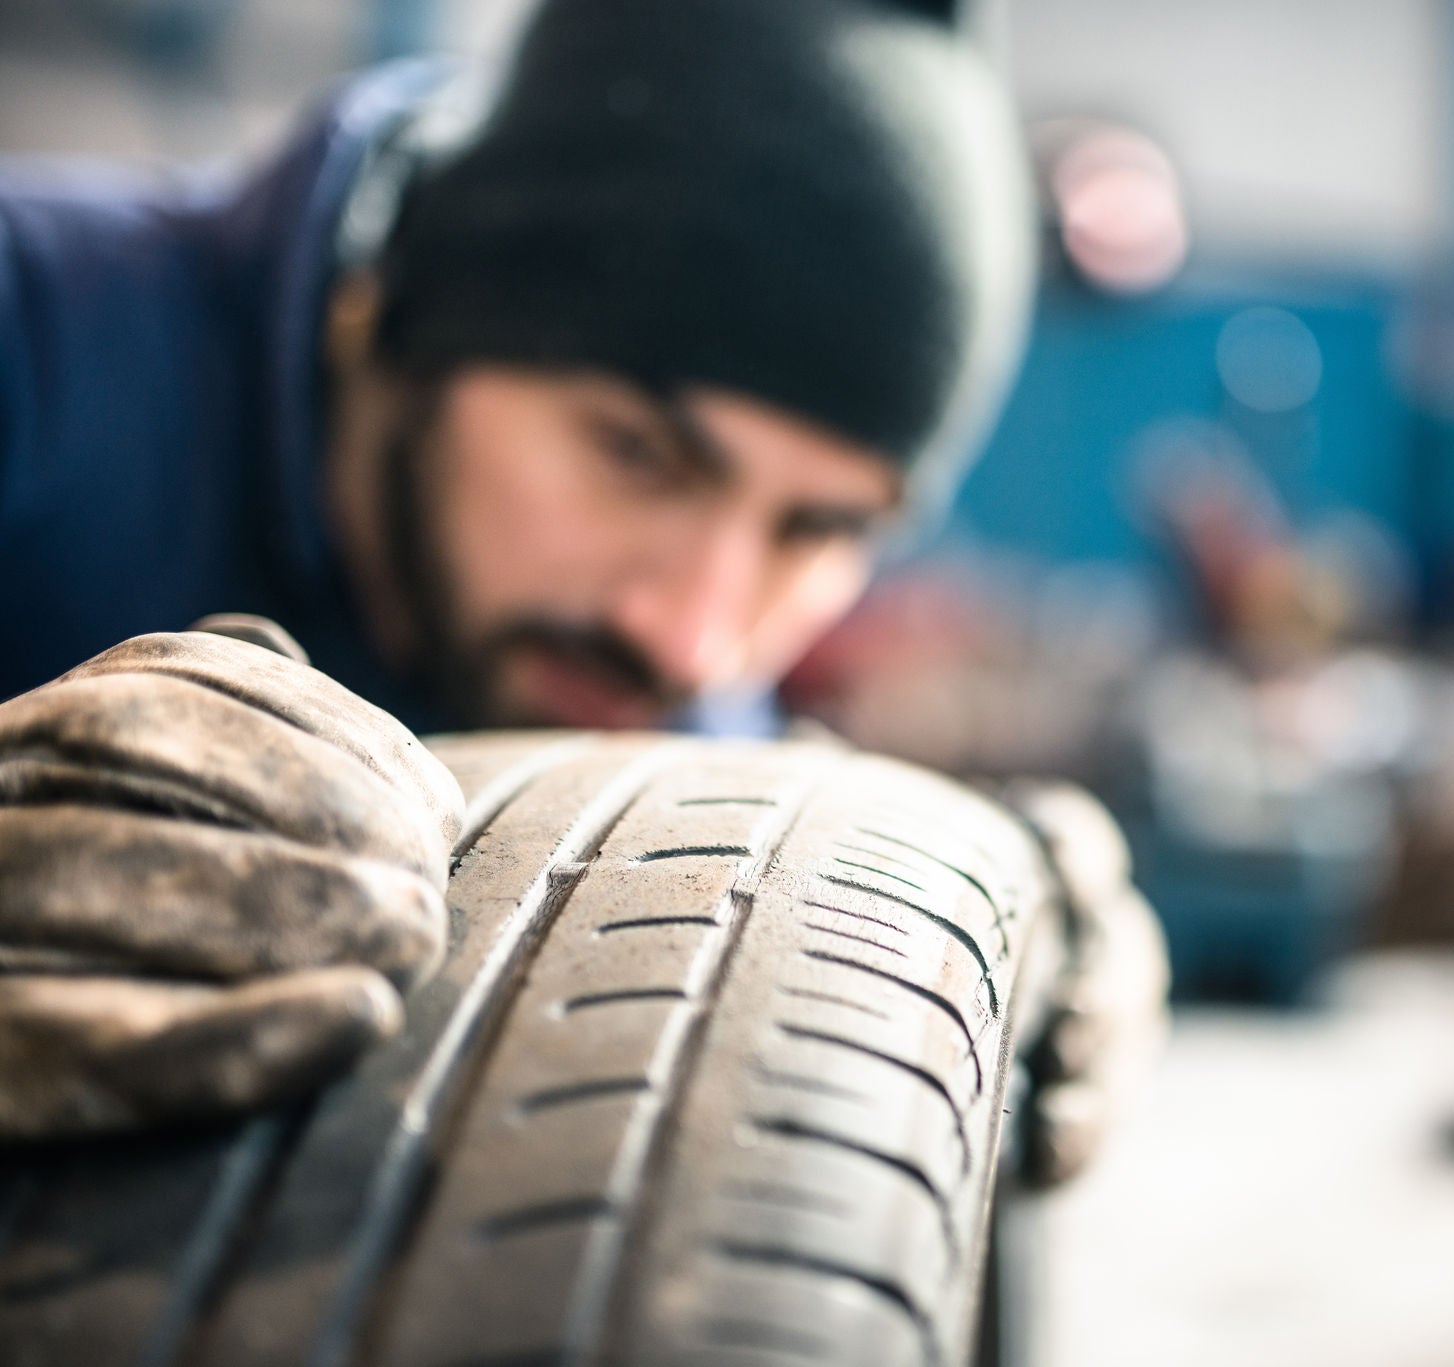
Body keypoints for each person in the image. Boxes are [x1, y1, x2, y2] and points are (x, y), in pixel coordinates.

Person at [0, 0, 1164, 1181]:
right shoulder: (29, 339)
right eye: (637, 454)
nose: (694, 637)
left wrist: (966, 936)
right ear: (402, 314)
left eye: (816, 529)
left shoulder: (657, 690)